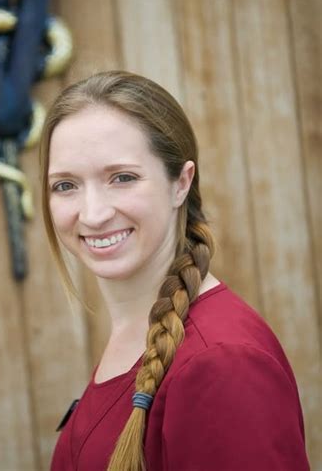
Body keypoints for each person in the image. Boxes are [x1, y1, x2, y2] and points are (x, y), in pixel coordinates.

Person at [39, 71, 310, 471]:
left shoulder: (222, 362)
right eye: (65, 185)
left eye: (122, 178)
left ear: (181, 183)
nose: (92, 214)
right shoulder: (139, 335)